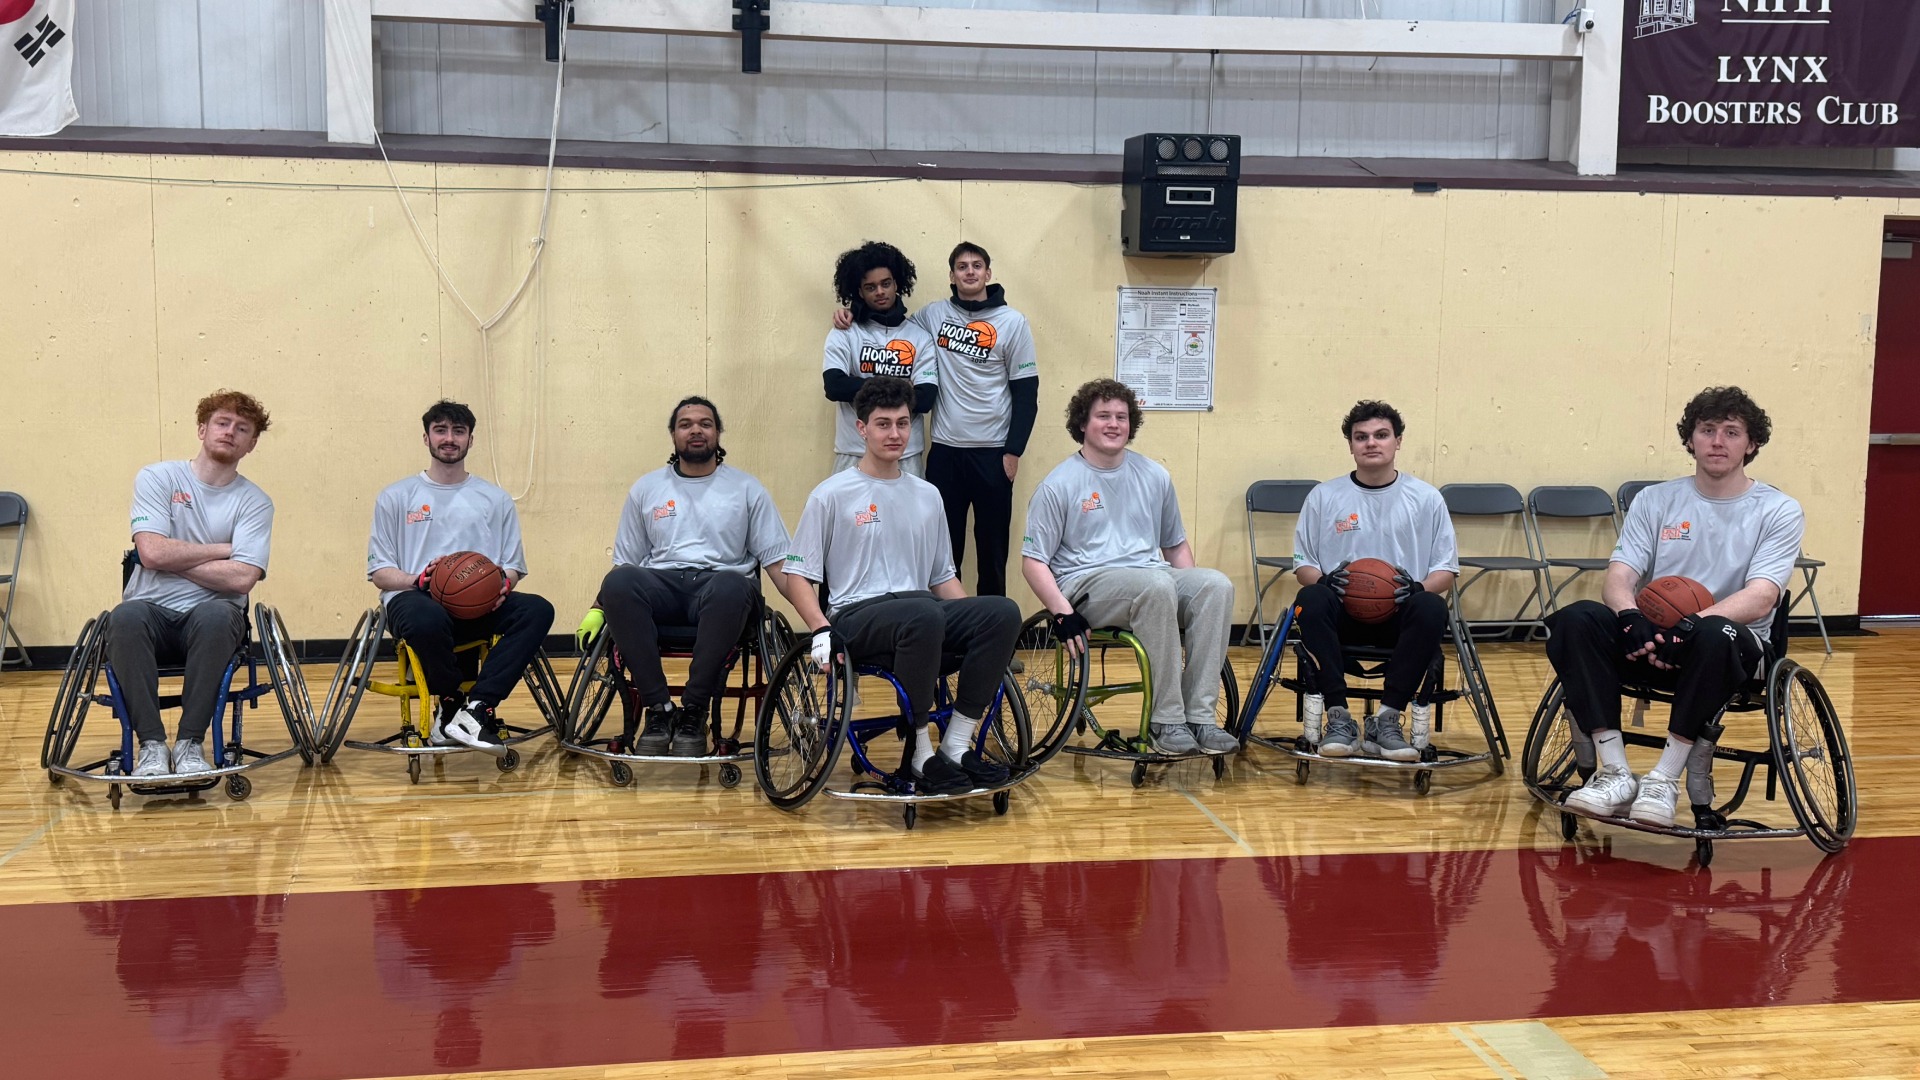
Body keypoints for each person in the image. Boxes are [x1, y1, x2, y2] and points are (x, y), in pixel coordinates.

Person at [1546, 386, 1803, 827]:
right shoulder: (1655, 500)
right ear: (1691, 440)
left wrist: (1690, 623)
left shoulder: (1778, 509)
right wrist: (1629, 617)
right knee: (1576, 619)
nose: (1718, 441)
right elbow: (1620, 576)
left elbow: (1763, 594)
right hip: (1653, 641)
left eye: (1731, 432)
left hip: (1728, 647)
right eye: (1707, 430)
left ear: (1752, 443)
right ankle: (1615, 773)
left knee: (1711, 632)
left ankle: (1664, 779)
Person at [778, 376, 1023, 795]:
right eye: (883, 424)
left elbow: (943, 577)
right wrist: (820, 629)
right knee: (922, 611)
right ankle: (919, 749)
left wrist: (974, 624)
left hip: (920, 616)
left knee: (1001, 611)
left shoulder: (928, 495)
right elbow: (798, 573)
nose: (895, 434)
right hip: (857, 617)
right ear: (862, 429)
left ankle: (957, 744)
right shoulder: (831, 494)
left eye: (903, 423)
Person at [1020, 378, 1238, 756]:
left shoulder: (1154, 475)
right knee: (1156, 586)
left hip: (1153, 579)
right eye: (1103, 415)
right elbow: (1033, 561)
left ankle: (1200, 718)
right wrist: (1061, 613)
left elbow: (1174, 544)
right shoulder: (1059, 484)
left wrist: (1193, 600)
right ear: (1083, 424)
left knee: (1215, 585)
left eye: (1121, 416)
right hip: (1086, 585)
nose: (1114, 423)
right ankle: (1165, 721)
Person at [575, 396, 791, 757]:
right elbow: (625, 562)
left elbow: (778, 560)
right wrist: (598, 609)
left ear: (718, 433)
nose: (696, 430)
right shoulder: (646, 489)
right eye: (686, 424)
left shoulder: (747, 489)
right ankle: (658, 710)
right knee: (620, 582)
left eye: (705, 423)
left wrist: (816, 619)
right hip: (663, 589)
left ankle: (694, 711)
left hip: (722, 591)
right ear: (673, 435)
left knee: (732, 584)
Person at [836, 242, 1039, 596]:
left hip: (993, 453)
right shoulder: (932, 316)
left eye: (977, 265)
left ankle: (992, 639)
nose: (970, 272)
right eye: (962, 266)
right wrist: (849, 313)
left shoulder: (1013, 322)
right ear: (952, 275)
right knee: (943, 553)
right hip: (945, 452)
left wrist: (1014, 450)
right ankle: (947, 637)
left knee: (993, 552)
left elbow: (1026, 392)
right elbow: (891, 327)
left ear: (988, 273)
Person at [366, 400, 555, 754]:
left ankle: (478, 708)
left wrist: (504, 584)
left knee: (537, 609)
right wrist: (417, 580)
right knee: (427, 613)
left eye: (458, 431)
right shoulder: (396, 496)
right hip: (415, 599)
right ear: (426, 438)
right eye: (441, 430)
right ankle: (450, 702)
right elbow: (380, 573)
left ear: (470, 439)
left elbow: (512, 565)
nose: (449, 438)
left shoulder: (495, 499)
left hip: (478, 606)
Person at [109, 390, 276, 778]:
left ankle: (188, 743)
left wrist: (170, 556)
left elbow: (242, 577)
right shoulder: (158, 477)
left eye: (242, 428)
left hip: (214, 617)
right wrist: (220, 550)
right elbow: (150, 553)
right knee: (124, 618)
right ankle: (151, 744)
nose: (230, 432)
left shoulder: (255, 502)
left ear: (251, 444)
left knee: (216, 615)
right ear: (202, 428)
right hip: (150, 610)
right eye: (222, 422)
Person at [1290, 400, 1459, 760]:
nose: (1371, 443)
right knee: (1311, 596)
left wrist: (1418, 588)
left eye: (1381, 435)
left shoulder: (1427, 498)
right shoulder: (1324, 496)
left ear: (1397, 441)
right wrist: (1324, 580)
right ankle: (1338, 717)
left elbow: (1446, 571)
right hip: (1341, 619)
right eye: (1361, 436)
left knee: (1431, 605)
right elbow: (1302, 564)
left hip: (1399, 619)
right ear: (1350, 445)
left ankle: (1386, 719)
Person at [822, 241, 940, 478]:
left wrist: (859, 383)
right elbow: (834, 386)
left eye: (886, 284)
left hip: (905, 456)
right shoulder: (846, 332)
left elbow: (925, 398)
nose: (880, 292)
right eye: (870, 287)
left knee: (908, 517)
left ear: (897, 283)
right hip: (853, 451)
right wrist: (903, 387)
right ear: (860, 291)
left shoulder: (919, 337)